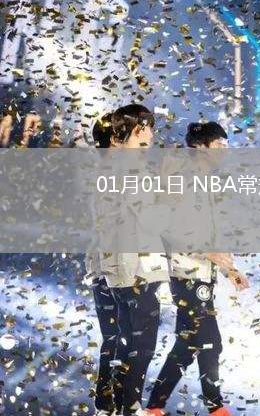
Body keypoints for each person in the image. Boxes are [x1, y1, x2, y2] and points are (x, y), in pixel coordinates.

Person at [144, 122, 249, 416]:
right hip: (186, 273)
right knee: (211, 342)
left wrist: (230, 270)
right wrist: (206, 252)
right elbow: (168, 229)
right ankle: (215, 407)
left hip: (203, 274)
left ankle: (154, 407)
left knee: (189, 344)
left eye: (226, 146)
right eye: (219, 146)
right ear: (200, 147)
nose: (224, 152)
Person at [100, 104, 168, 415]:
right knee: (141, 345)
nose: (149, 136)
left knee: (126, 341)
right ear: (119, 136)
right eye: (142, 130)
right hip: (136, 270)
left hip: (125, 269)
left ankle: (119, 405)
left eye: (150, 129)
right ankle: (129, 406)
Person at [87, 112, 122, 416]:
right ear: (114, 138)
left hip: (111, 269)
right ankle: (110, 404)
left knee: (120, 338)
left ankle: (112, 403)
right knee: (118, 337)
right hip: (110, 269)